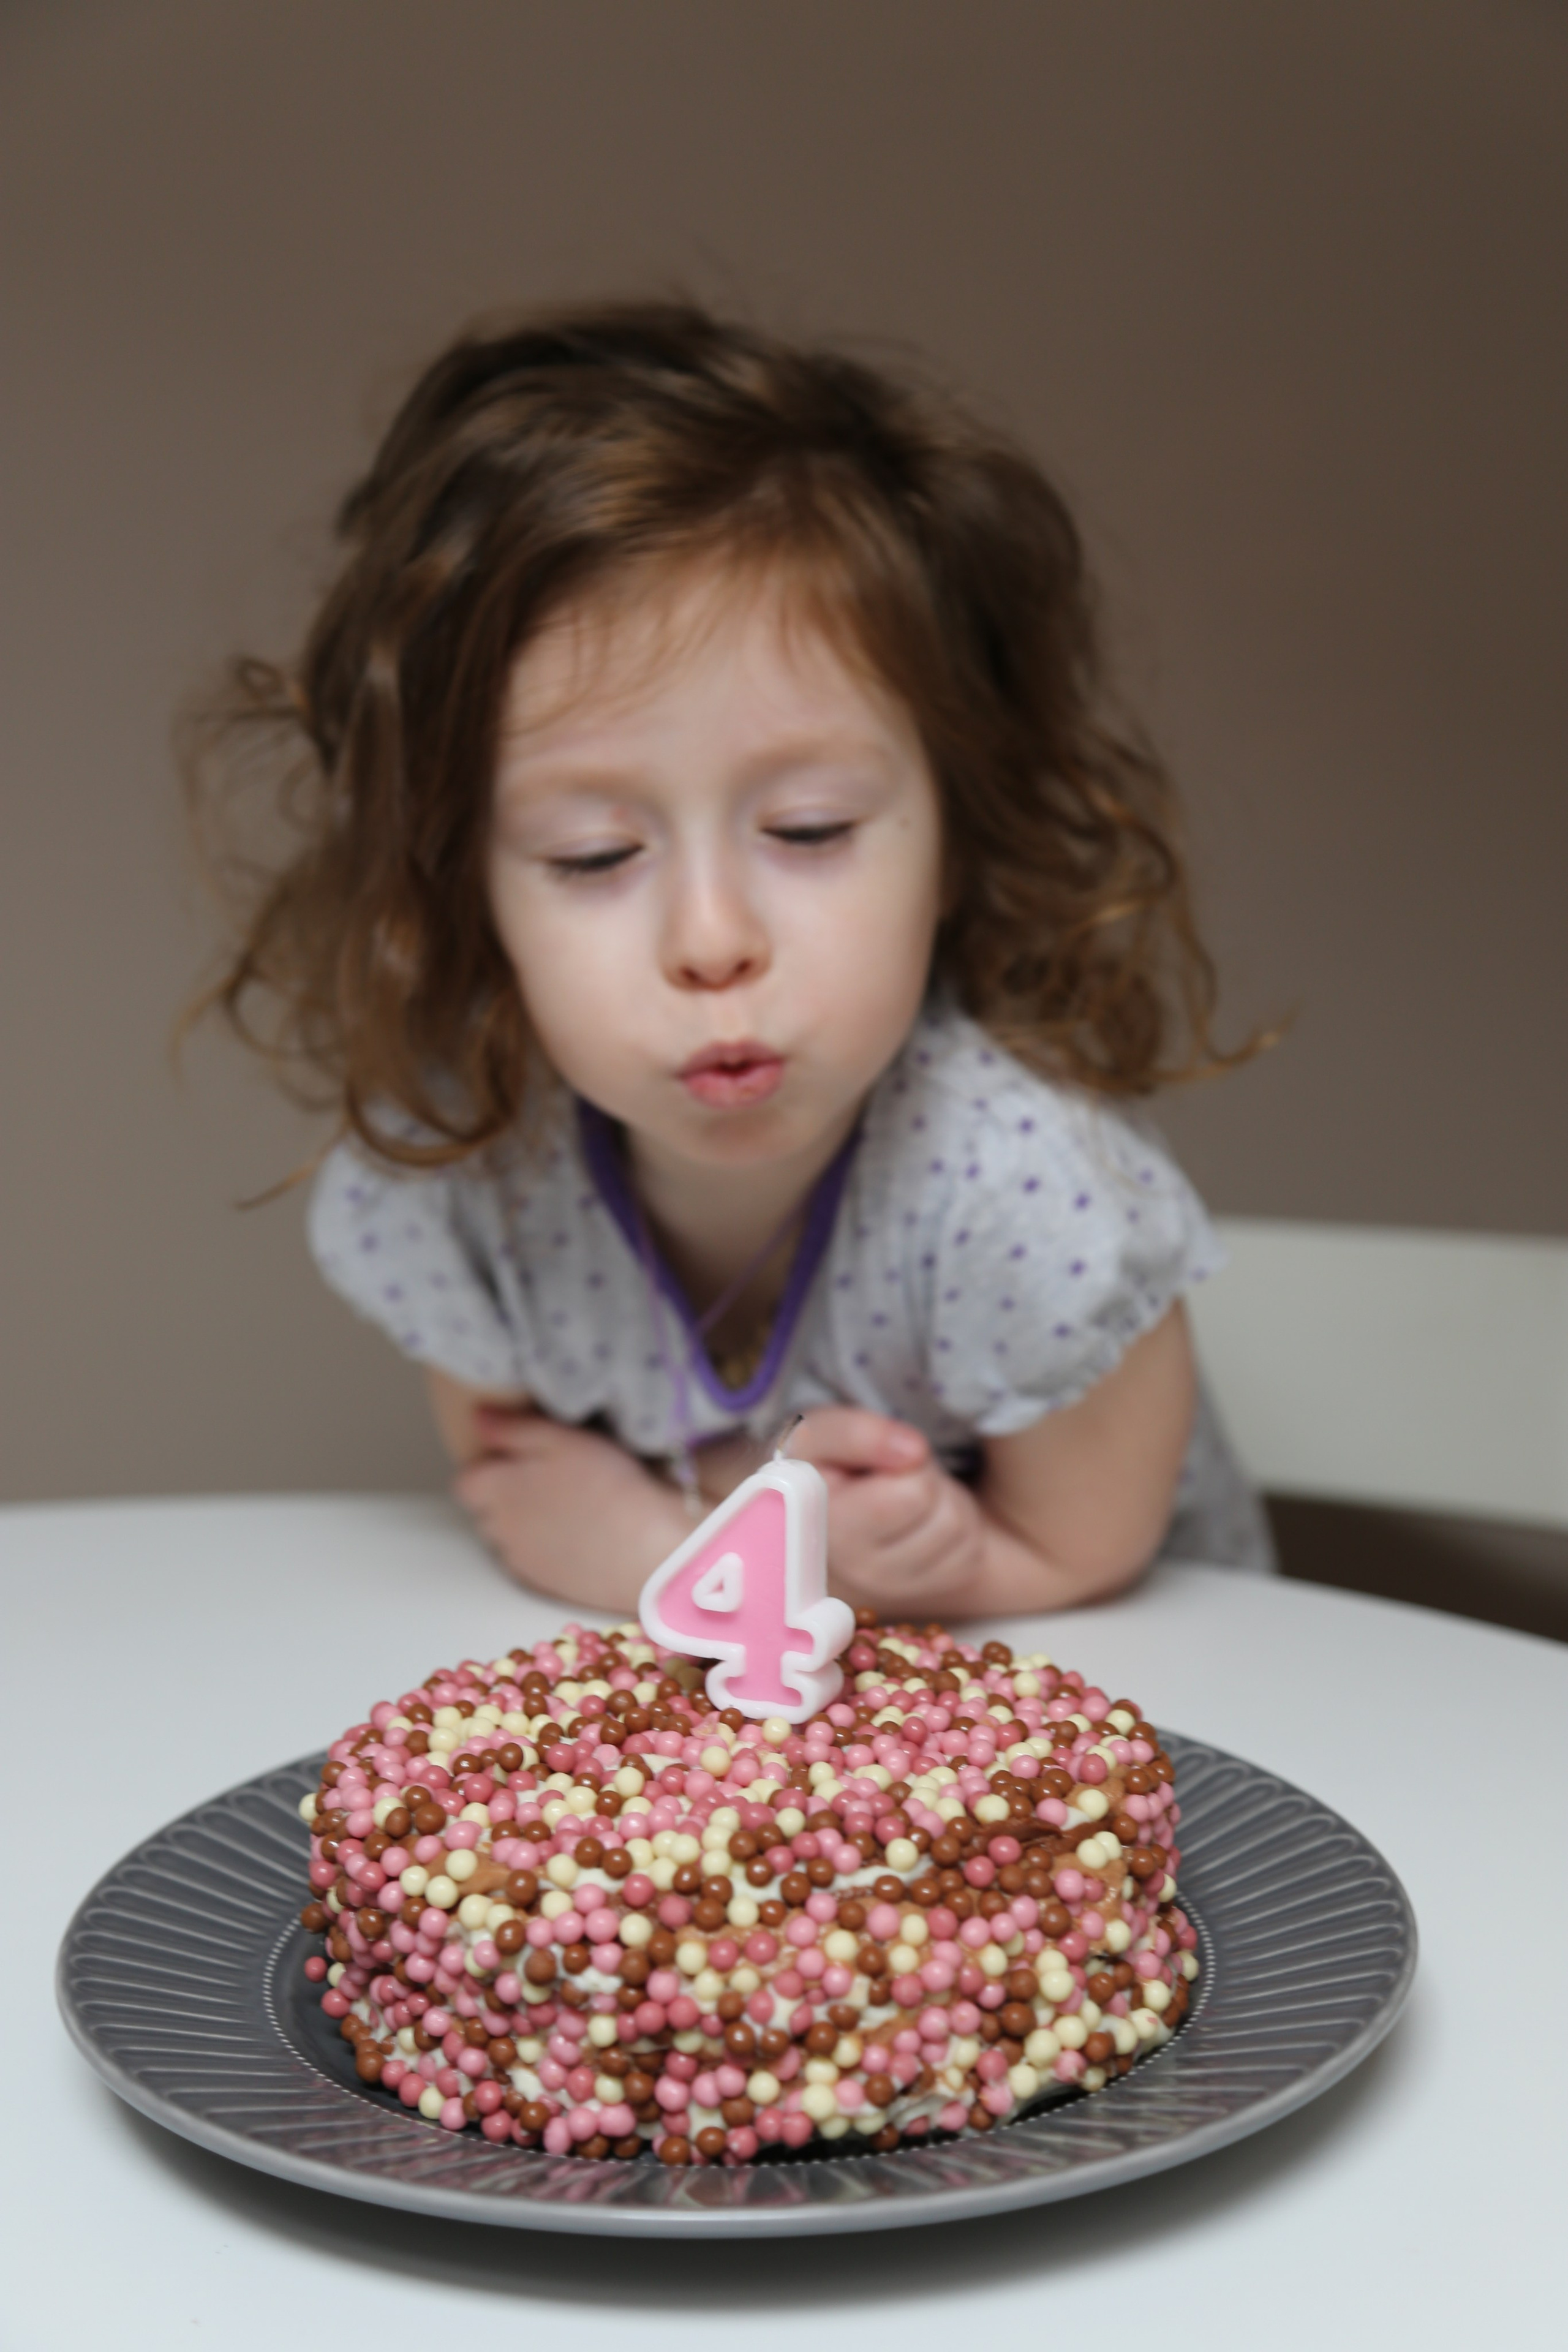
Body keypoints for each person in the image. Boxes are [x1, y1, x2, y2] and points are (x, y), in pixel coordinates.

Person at [192, 298, 1272, 1621]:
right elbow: (520, 1482)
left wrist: (710, 1561)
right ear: (464, 894)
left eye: (807, 830)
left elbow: (1081, 1554)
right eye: (594, 854)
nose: (711, 941)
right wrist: (720, 1550)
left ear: (956, 840)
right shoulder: (466, 1170)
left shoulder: (1026, 1195)